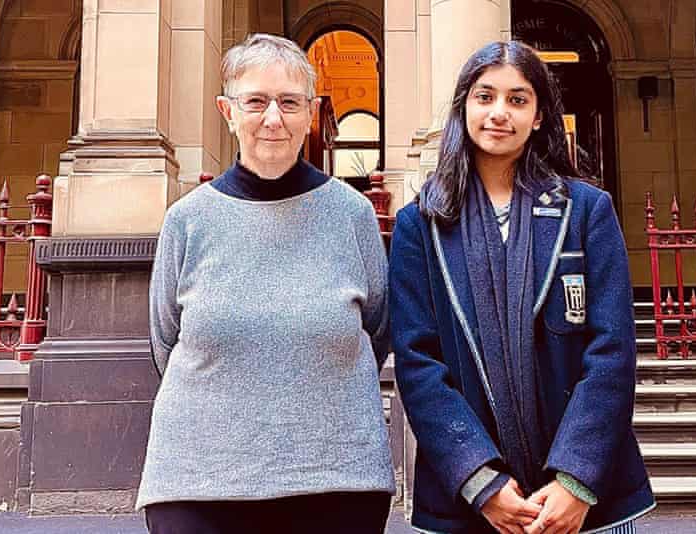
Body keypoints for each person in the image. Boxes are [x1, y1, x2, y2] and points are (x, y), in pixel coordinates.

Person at [389, 41, 655, 534]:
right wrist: (480, 481)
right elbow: (418, 361)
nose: (499, 113)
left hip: (584, 503)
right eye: (485, 96)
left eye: (517, 99)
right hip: (469, 504)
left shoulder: (586, 210)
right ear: (463, 107)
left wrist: (576, 479)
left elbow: (612, 351)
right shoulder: (419, 226)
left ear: (538, 117)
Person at [136, 34, 394, 534]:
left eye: (290, 102)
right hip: (199, 485)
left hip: (336, 482)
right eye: (255, 101)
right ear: (227, 111)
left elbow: (376, 330)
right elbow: (165, 341)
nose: (273, 118)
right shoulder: (188, 220)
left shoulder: (352, 215)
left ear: (311, 112)